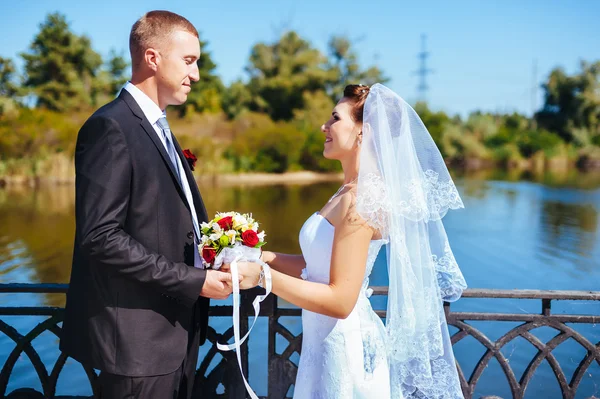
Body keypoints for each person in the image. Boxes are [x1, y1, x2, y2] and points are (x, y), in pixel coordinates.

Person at [234, 83, 468, 398]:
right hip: (325, 342)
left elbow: (341, 301)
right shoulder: (346, 191)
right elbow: (317, 266)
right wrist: (258, 256)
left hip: (346, 349)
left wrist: (263, 278)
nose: (324, 127)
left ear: (364, 131)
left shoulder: (362, 200)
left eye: (335, 119)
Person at [60, 10, 234, 399]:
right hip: (138, 347)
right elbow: (100, 237)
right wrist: (194, 281)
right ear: (153, 58)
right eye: (189, 61)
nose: (197, 75)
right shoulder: (111, 126)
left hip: (177, 335)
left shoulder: (160, 128)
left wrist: (215, 256)